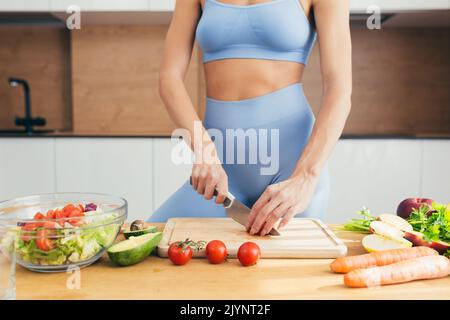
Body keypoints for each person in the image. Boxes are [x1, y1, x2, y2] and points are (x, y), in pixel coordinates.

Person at [148, 0, 352, 236]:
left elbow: (339, 89)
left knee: (294, 271)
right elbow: (169, 79)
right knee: (147, 248)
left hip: (292, 168)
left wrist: (305, 177)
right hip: (220, 173)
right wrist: (204, 152)